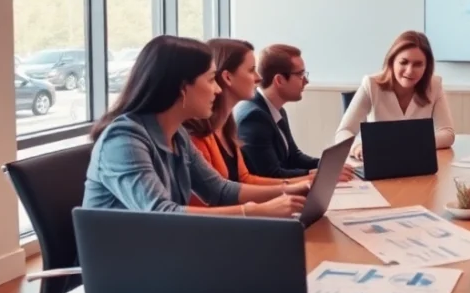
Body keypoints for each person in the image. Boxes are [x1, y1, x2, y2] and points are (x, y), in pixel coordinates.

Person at [84, 35, 309, 217]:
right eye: (211, 80)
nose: (217, 89)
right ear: (183, 87)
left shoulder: (177, 135)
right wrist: (255, 211)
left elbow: (219, 190)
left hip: (160, 253)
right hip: (122, 267)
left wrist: (290, 190)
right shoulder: (124, 141)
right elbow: (161, 214)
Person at [185, 38, 343, 192]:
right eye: (251, 70)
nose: (259, 78)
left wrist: (310, 179)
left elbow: (245, 179)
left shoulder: (227, 124)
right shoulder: (248, 118)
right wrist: (305, 181)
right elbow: (217, 197)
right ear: (228, 77)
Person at [235, 43, 348, 180]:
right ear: (279, 80)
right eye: (300, 74)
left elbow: (294, 157)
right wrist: (318, 174)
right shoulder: (254, 117)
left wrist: (329, 166)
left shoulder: (278, 110)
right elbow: (271, 175)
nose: (306, 81)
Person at [335, 30, 455, 160]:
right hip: (380, 163)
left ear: (427, 67)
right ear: (392, 62)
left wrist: (408, 145)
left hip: (416, 162)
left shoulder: (434, 85)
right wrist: (358, 147)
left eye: (418, 64)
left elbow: (447, 133)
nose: (410, 71)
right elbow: (343, 132)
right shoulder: (371, 84)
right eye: (403, 62)